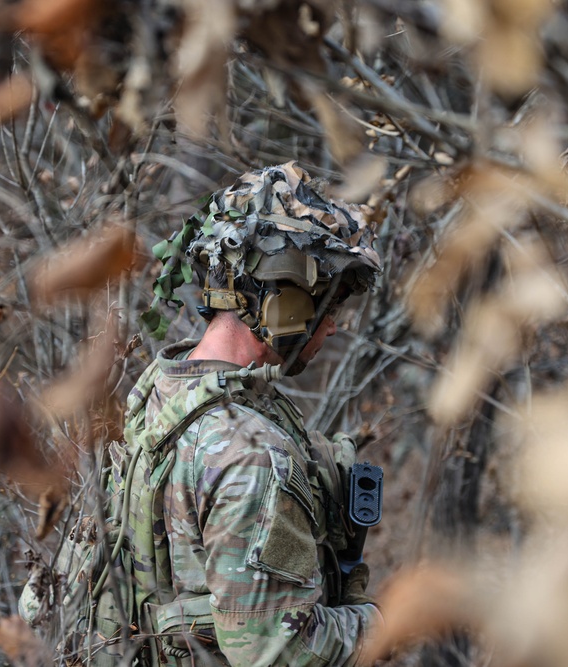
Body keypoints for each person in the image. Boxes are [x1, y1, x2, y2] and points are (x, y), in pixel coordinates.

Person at [22, 162, 383, 666]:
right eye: (330, 309)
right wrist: (381, 625)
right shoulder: (251, 453)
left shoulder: (159, 390)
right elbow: (274, 649)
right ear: (287, 301)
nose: (335, 329)